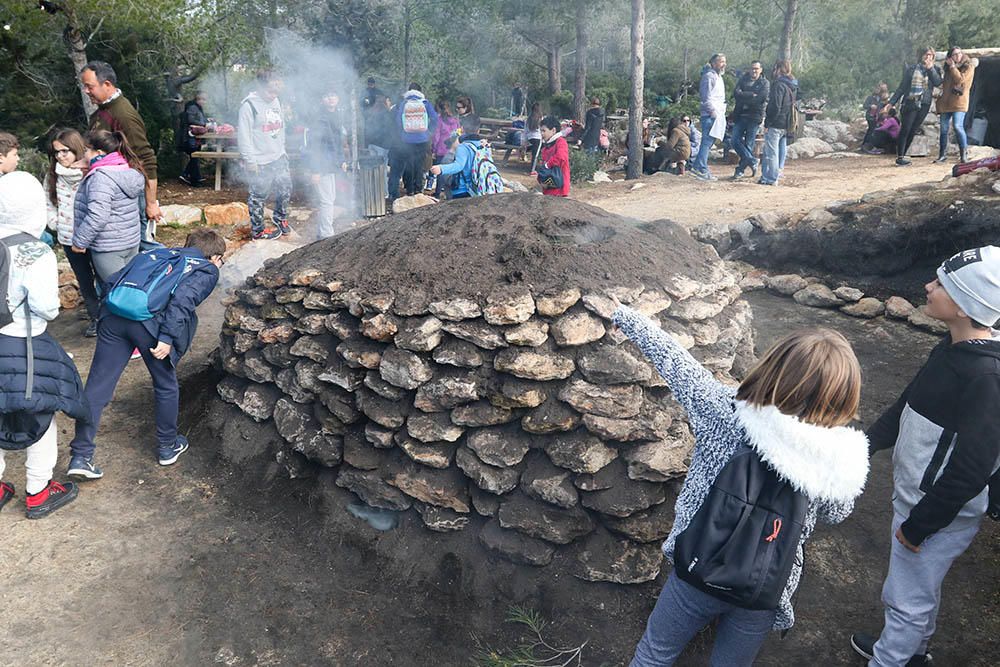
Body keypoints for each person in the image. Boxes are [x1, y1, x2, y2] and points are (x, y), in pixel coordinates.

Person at [613, 300, 869, 666]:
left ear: (774, 368)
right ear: (844, 395)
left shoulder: (725, 414)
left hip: (698, 569)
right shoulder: (838, 457)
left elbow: (677, 364)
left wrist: (628, 317)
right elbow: (837, 512)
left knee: (656, 652)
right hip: (763, 588)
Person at [851, 246, 1000, 667]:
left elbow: (974, 465)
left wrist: (921, 526)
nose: (928, 286)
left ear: (965, 305)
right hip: (921, 501)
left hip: (936, 513)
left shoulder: (984, 379)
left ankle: (890, 659)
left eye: (941, 284)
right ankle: (912, 652)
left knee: (905, 598)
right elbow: (909, 403)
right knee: (918, 588)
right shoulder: (951, 348)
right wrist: (866, 444)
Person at [67, 228, 225, 480]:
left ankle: (80, 456)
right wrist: (167, 338)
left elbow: (111, 281)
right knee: (165, 385)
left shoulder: (154, 254)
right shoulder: (206, 268)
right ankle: (167, 446)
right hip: (150, 326)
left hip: (113, 317)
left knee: (97, 386)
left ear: (187, 243)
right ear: (215, 256)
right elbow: (183, 301)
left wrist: (107, 314)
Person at [0, 171, 88, 518]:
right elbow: (47, 308)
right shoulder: (35, 251)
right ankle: (38, 491)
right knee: (39, 413)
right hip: (25, 345)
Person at [81, 61, 161, 249]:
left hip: (131, 193)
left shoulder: (124, 115)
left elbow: (146, 159)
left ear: (107, 84)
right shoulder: (103, 110)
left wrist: (151, 203)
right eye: (84, 86)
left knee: (142, 244)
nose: (86, 91)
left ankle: (173, 270)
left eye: (89, 86)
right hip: (111, 191)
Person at [44, 129, 99, 336]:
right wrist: (56, 223)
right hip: (68, 237)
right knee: (84, 281)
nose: (60, 156)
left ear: (77, 150)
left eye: (65, 151)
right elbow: (47, 202)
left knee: (105, 278)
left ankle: (113, 320)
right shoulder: (52, 175)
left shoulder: (92, 172)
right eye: (56, 152)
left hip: (94, 237)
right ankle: (95, 318)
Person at [71, 129, 144, 283]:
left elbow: (98, 215)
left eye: (86, 151)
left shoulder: (101, 177)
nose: (84, 155)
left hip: (109, 246)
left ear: (97, 152)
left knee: (116, 292)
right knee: (130, 287)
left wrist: (80, 241)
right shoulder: (126, 169)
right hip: (130, 241)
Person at [238, 69, 291, 240]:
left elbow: (280, 127)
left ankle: (280, 218)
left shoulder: (276, 100)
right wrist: (250, 161)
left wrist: (282, 150)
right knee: (258, 196)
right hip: (260, 160)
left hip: (278, 156)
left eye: (277, 92)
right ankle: (258, 230)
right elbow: (243, 136)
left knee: (285, 188)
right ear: (260, 87)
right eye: (270, 91)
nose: (273, 95)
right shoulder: (249, 106)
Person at [886, 47, 943, 166]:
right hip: (910, 102)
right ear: (921, 55)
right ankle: (900, 156)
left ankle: (903, 155)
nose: (928, 57)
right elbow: (901, 88)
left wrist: (930, 69)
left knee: (913, 129)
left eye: (931, 55)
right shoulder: (911, 69)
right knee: (906, 128)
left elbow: (937, 82)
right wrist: (891, 103)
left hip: (924, 103)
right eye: (926, 55)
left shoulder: (935, 69)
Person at [305, 88, 349, 239]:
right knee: (327, 201)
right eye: (327, 95)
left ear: (338, 98)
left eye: (333, 95)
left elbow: (337, 142)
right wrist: (315, 170)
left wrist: (341, 160)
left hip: (331, 164)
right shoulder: (319, 118)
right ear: (322, 99)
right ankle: (326, 235)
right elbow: (314, 145)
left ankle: (322, 233)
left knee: (329, 198)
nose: (331, 99)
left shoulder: (336, 115)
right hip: (321, 164)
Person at [935, 46, 979, 164]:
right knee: (943, 129)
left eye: (959, 53)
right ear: (950, 56)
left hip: (959, 101)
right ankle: (942, 155)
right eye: (954, 54)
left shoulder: (969, 66)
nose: (957, 56)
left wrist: (953, 67)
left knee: (958, 127)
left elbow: (960, 80)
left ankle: (963, 154)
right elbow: (945, 85)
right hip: (946, 102)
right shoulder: (948, 68)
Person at [394, 83, 439, 199]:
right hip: (422, 139)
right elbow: (434, 118)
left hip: (407, 139)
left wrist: (401, 134)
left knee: (409, 165)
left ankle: (410, 190)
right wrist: (429, 132)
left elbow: (398, 121)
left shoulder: (404, 103)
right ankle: (418, 190)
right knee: (419, 165)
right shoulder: (425, 103)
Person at [759, 60, 798, 186]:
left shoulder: (778, 85)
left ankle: (771, 178)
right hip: (786, 123)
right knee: (778, 150)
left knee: (771, 152)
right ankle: (769, 175)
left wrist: (768, 123)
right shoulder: (791, 85)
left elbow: (775, 106)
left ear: (779, 69)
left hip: (776, 123)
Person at [692, 54, 727, 181]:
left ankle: (697, 166)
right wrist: (713, 112)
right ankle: (701, 168)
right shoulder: (708, 77)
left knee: (710, 141)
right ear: (713, 63)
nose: (724, 64)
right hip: (710, 115)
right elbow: (705, 98)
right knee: (707, 142)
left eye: (724, 62)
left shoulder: (718, 77)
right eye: (721, 62)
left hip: (718, 114)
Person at [731, 61, 769, 179]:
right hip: (740, 115)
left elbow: (760, 99)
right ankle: (753, 161)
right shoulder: (743, 80)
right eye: (752, 68)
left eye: (756, 69)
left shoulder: (764, 83)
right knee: (734, 140)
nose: (754, 71)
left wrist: (744, 95)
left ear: (761, 70)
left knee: (749, 144)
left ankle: (740, 170)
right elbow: (736, 94)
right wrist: (751, 94)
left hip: (754, 117)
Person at [429, 132, 490, 199]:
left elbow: (458, 167)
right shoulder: (449, 157)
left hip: (461, 190)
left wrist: (441, 169)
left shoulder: (459, 152)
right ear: (453, 142)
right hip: (467, 190)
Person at [178, 91, 209, 187]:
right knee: (194, 156)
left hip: (193, 137)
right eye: (202, 99)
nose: (204, 102)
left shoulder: (197, 108)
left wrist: (206, 121)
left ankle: (191, 176)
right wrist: (204, 124)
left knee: (194, 157)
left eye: (205, 100)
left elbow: (199, 119)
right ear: (197, 99)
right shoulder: (192, 107)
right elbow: (190, 120)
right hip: (190, 136)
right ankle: (193, 179)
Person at [431, 100, 461, 196]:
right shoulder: (455, 120)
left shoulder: (439, 120)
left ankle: (438, 193)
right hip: (453, 149)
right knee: (451, 171)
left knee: (441, 171)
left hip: (441, 149)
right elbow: (459, 133)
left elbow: (436, 136)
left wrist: (434, 150)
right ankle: (450, 193)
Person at [538, 115, 570, 197]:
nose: (541, 134)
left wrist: (547, 165)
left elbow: (561, 157)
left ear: (553, 130)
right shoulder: (547, 146)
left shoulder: (561, 142)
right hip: (549, 189)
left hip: (559, 190)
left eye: (544, 131)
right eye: (540, 131)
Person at [525, 103, 543, 175]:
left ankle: (535, 168)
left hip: (530, 138)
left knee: (534, 152)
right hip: (538, 138)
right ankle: (532, 170)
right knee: (535, 155)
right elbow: (542, 130)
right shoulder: (540, 118)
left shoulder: (528, 119)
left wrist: (525, 140)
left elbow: (525, 130)